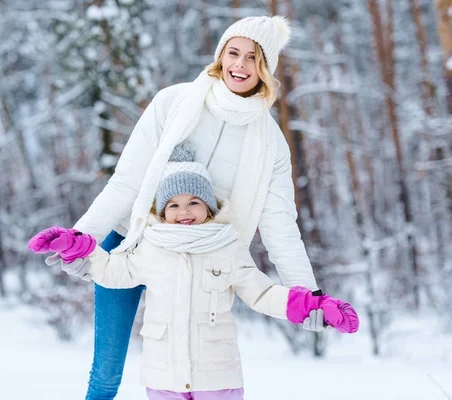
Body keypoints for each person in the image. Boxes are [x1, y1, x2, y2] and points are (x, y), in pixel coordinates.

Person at [46, 15, 329, 400]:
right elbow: (127, 180)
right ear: (220, 55)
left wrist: (306, 293)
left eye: (253, 57)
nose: (240, 65)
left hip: (207, 259)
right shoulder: (174, 103)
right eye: (233, 53)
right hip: (134, 243)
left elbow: (280, 224)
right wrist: (84, 237)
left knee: (197, 375)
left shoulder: (270, 142)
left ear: (266, 67)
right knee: (107, 371)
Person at [28, 143, 359, 399]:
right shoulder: (151, 246)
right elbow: (116, 271)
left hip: (217, 378)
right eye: (173, 204)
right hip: (163, 378)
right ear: (162, 210)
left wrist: (312, 305)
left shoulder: (227, 246)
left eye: (193, 202)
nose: (183, 211)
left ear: (209, 206)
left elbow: (262, 293)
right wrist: (78, 248)